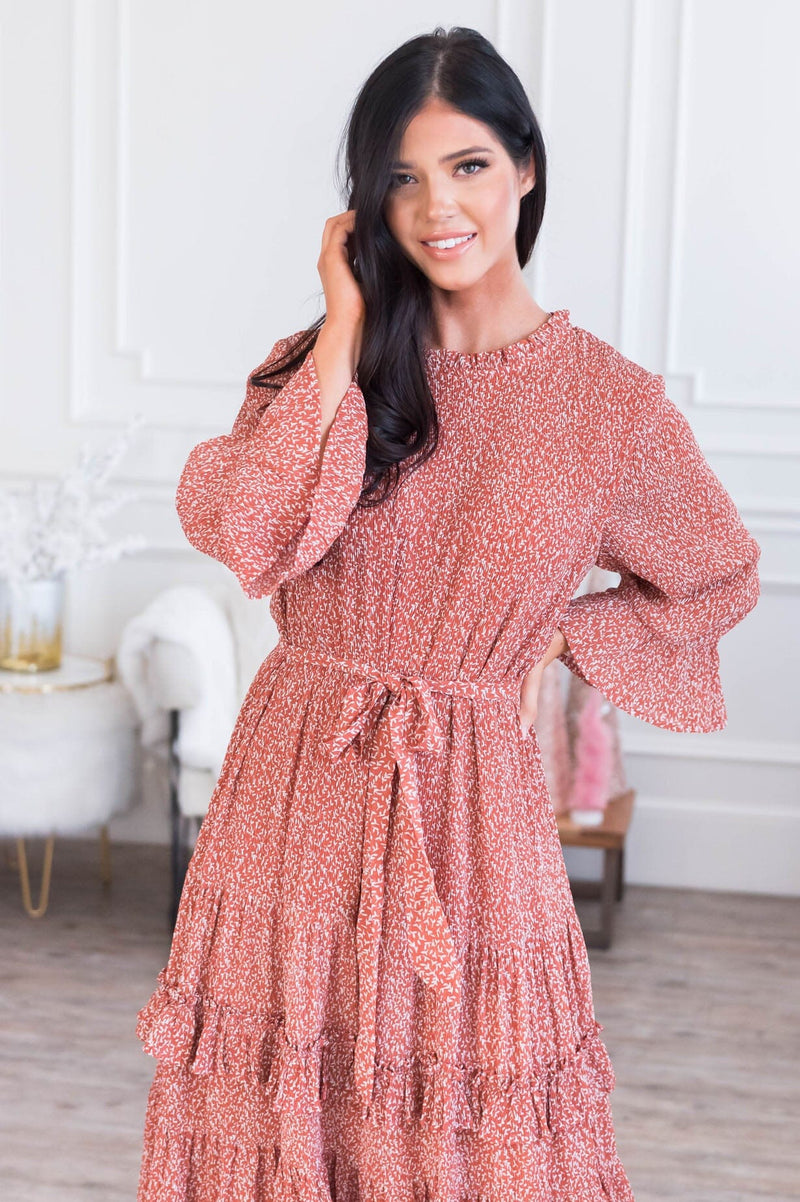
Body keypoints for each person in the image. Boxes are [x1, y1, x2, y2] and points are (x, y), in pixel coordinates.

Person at [135, 25, 761, 1201]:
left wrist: (561, 635)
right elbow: (253, 535)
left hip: (469, 807)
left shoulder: (608, 408)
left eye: (467, 165)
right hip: (294, 785)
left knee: (471, 1122)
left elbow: (714, 572)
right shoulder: (324, 363)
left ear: (524, 166)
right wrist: (339, 330)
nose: (437, 208)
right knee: (283, 1101)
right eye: (401, 178)